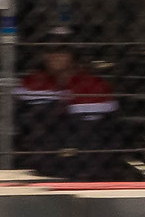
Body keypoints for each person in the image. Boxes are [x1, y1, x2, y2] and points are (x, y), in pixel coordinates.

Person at [14, 27, 121, 181]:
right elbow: (22, 126)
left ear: (74, 54)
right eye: (49, 50)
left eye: (62, 50)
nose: (54, 56)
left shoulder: (93, 86)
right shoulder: (31, 84)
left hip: (87, 164)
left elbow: (99, 135)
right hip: (39, 160)